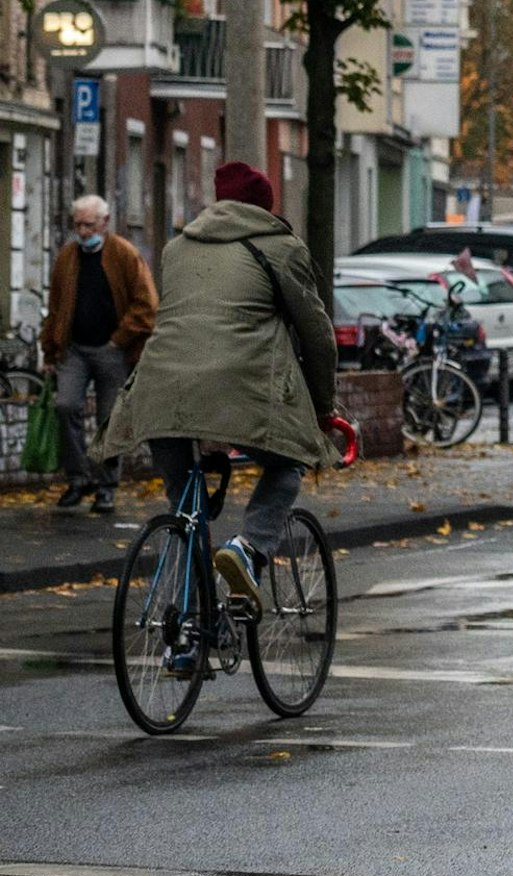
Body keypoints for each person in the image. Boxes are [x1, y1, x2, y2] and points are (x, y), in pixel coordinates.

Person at [91, 162, 341, 615]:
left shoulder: (177, 247)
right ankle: (247, 548)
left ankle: (185, 635)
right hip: (239, 387)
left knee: (186, 513)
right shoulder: (282, 248)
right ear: (265, 208)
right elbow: (317, 335)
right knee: (289, 463)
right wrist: (323, 410)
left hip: (159, 389)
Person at [38, 194, 158, 513]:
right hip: (75, 348)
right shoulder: (67, 257)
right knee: (65, 406)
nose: (83, 231)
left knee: (109, 420)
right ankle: (78, 479)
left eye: (89, 224)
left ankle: (107, 485)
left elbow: (147, 305)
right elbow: (55, 308)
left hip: (112, 350)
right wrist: (49, 350)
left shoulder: (124, 254)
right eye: (78, 224)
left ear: (104, 223)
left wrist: (119, 340)